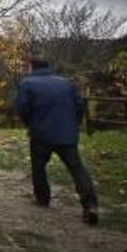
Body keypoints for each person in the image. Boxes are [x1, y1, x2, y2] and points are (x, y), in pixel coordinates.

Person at [14, 58, 99, 224]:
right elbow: (79, 105)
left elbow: (22, 107)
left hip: (41, 133)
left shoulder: (27, 83)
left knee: (38, 166)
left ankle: (43, 198)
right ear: (48, 67)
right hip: (67, 133)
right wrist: (74, 124)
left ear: (31, 67)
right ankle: (90, 205)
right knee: (77, 168)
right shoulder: (67, 83)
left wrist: (30, 124)